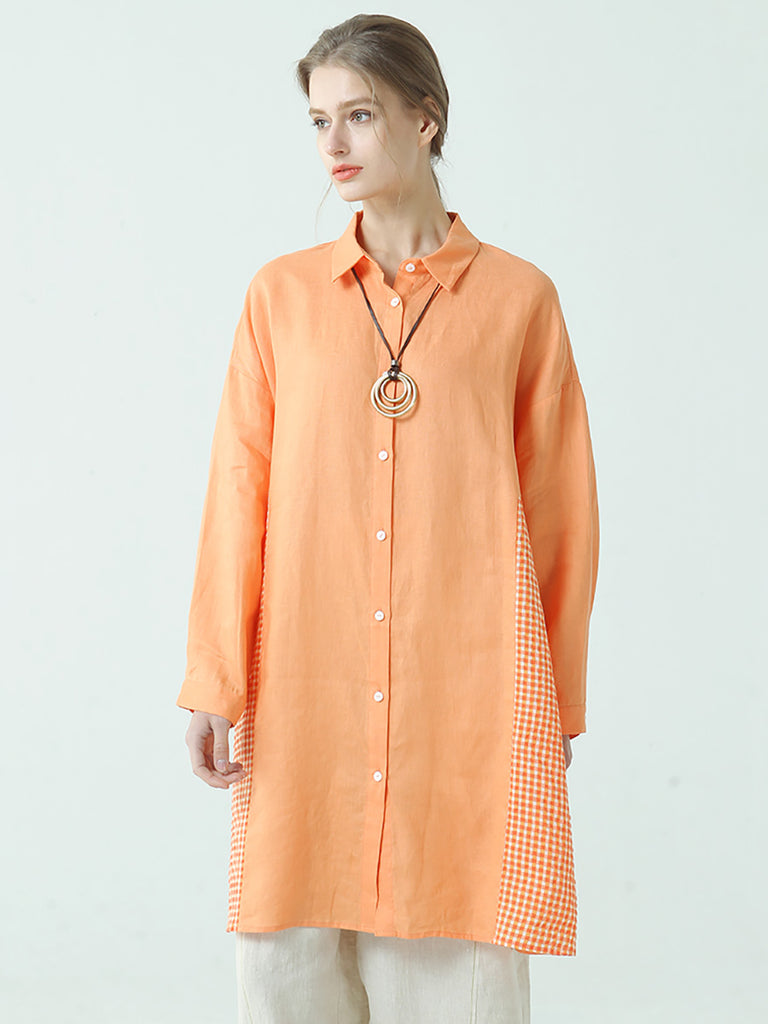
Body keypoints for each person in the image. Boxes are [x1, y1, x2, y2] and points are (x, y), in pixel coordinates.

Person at [177, 13, 599, 1023]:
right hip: (303, 716)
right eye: (318, 120)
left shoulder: (519, 300)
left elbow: (562, 516)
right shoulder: (280, 298)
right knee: (288, 986)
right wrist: (214, 678)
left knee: (464, 986)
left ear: (426, 118)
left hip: (467, 718)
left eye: (359, 115)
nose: (333, 145)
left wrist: (555, 706)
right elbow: (238, 490)